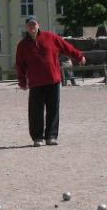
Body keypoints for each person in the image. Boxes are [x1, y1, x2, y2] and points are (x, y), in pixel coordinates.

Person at [15, 16, 85, 146]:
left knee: (53, 109)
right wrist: (22, 82)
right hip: (36, 83)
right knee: (36, 112)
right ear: (26, 28)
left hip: (53, 80)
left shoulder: (50, 37)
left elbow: (66, 47)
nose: (32, 27)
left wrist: (79, 56)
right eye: (29, 25)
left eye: (34, 24)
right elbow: (20, 65)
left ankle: (51, 136)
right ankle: (38, 137)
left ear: (38, 25)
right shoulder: (22, 45)